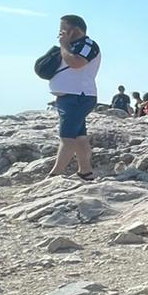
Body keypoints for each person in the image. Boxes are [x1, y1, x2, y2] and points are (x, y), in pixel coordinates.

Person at [46, 15, 101, 179]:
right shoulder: (72, 45)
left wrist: (64, 45)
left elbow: (76, 63)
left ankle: (55, 175)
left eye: (63, 29)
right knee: (79, 137)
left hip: (78, 96)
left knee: (67, 138)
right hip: (70, 97)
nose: (60, 32)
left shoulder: (87, 45)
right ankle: (86, 172)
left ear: (75, 29)